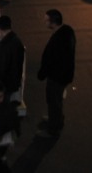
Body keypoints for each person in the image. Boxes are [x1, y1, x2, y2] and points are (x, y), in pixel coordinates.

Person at [36, 9, 76, 139]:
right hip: (65, 74)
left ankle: (53, 129)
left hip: (57, 77)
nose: (44, 22)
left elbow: (51, 60)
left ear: (52, 22)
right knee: (57, 99)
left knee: (53, 101)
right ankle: (57, 119)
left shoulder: (57, 40)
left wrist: (42, 73)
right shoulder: (68, 31)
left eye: (46, 20)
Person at [0, 16, 25, 103]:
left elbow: (2, 67)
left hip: (3, 84)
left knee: (0, 104)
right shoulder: (16, 41)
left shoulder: (5, 45)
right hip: (11, 82)